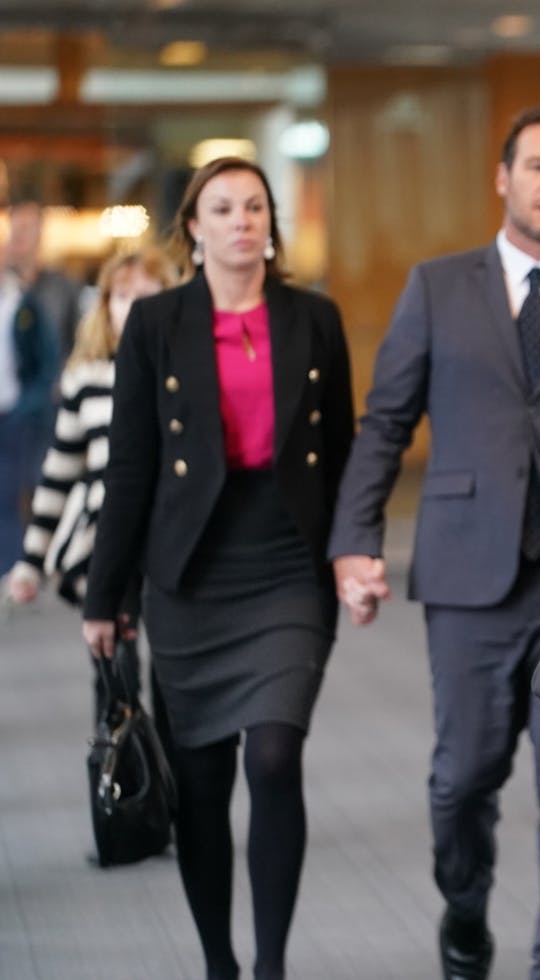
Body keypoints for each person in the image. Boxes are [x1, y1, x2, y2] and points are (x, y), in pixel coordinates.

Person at [327, 100, 540, 980]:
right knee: (462, 779)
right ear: (503, 178)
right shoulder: (438, 286)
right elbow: (386, 420)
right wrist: (355, 541)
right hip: (468, 573)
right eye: (539, 166)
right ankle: (465, 913)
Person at [81, 157, 355, 980]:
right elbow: (129, 467)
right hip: (190, 571)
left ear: (271, 225)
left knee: (274, 755)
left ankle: (269, 965)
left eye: (256, 207)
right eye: (223, 208)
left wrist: (352, 554)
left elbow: (342, 455)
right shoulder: (156, 323)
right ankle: (219, 964)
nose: (243, 220)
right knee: (200, 784)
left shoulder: (315, 318)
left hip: (287, 561)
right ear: (193, 230)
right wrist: (107, 596)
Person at [8, 246, 176, 718]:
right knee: (115, 678)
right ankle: (122, 785)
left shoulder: (185, 378)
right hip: (108, 546)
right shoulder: (86, 380)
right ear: (105, 306)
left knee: (175, 681)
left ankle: (174, 786)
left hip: (173, 542)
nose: (135, 307)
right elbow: (58, 474)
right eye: (123, 296)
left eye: (148, 294)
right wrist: (31, 562)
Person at [0, 259, 57, 565]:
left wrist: (29, 406)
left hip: (12, 414)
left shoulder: (24, 305)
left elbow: (47, 361)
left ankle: (8, 569)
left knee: (7, 495)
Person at [6, 197, 86, 360]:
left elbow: (77, 342)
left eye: (26, 228)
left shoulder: (63, 288)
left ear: (40, 233)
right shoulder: (4, 286)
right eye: (14, 228)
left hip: (54, 381)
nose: (19, 236)